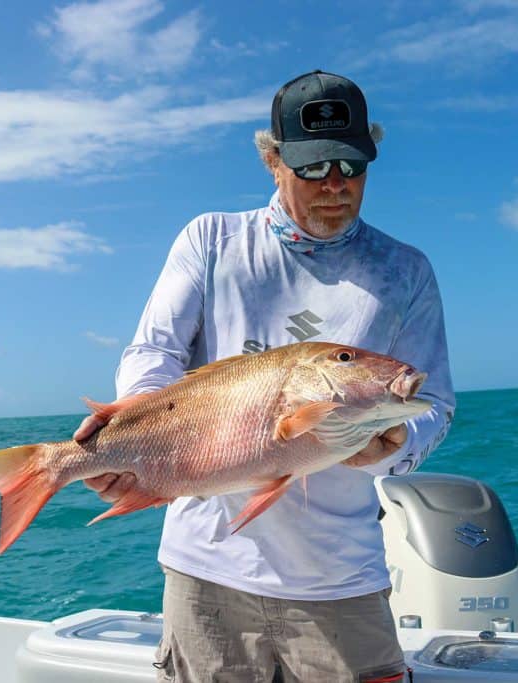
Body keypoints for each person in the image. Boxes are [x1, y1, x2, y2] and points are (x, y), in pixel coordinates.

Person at [74, 70, 455, 683]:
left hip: (340, 578)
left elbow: (433, 403)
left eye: (351, 165)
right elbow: (153, 352)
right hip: (205, 570)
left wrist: (395, 447)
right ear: (273, 161)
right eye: (311, 167)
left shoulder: (404, 271)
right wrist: (136, 437)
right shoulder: (213, 240)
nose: (334, 185)